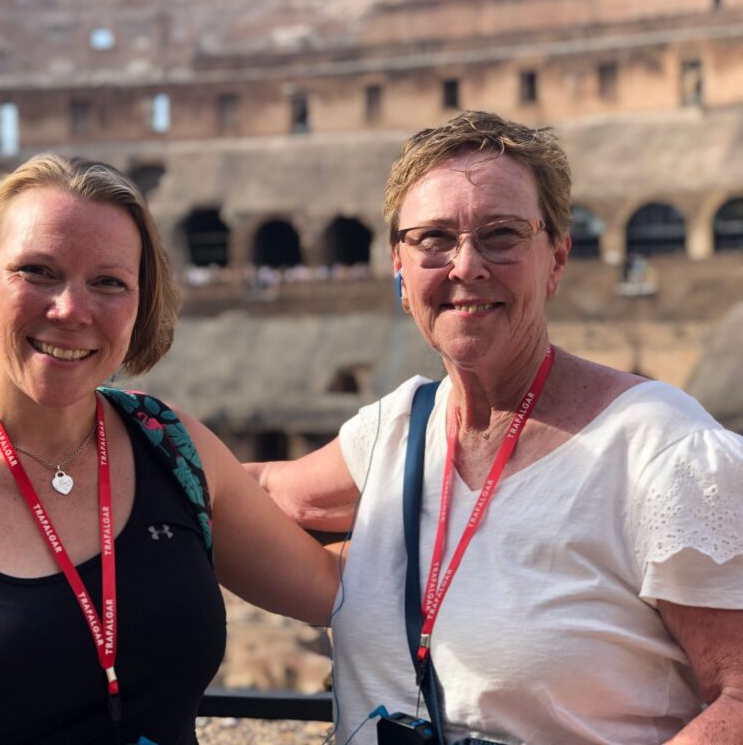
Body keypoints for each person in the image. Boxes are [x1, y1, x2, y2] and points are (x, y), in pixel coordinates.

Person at [0, 155, 340, 745]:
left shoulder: (173, 450)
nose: (71, 310)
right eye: (38, 271)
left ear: (140, 300)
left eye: (108, 282)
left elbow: (331, 585)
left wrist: (417, 443)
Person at [249, 112, 743, 744]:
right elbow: (263, 494)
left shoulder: (665, 453)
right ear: (400, 270)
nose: (466, 266)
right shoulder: (395, 430)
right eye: (433, 239)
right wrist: (114, 432)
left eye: (501, 235)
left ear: (556, 259)